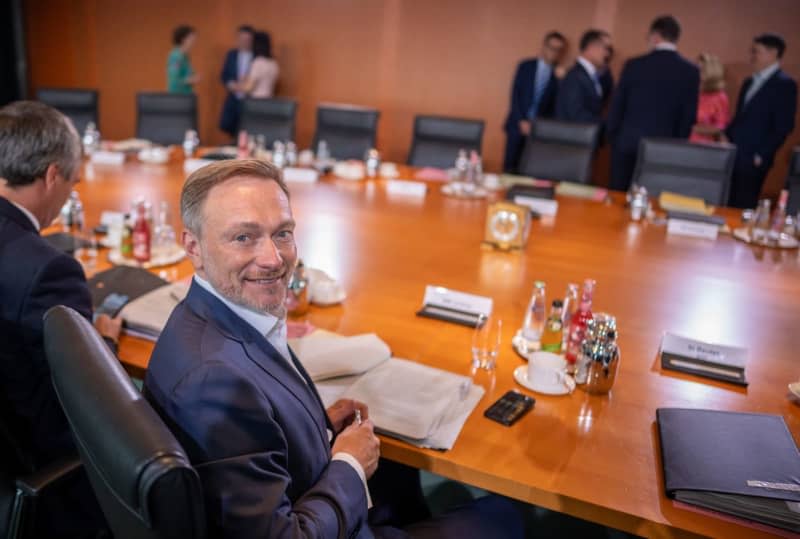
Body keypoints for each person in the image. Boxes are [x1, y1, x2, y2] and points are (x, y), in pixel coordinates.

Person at [144, 159, 523, 538]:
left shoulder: (209, 315)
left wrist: (315, 427)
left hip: (314, 498)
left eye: (283, 233)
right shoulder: (214, 381)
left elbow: (250, 443)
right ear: (193, 247)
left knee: (404, 480)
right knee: (504, 516)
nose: (274, 259)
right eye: (244, 237)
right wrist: (349, 464)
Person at [0, 101, 120, 537]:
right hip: (39, 467)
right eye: (73, 181)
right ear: (52, 176)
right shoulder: (49, 270)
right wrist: (102, 342)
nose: (71, 192)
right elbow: (85, 398)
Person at [606, 15, 699, 191]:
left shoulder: (634, 65)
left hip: (627, 145)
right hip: (665, 150)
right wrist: (676, 146)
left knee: (618, 197)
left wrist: (613, 137)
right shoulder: (691, 72)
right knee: (654, 200)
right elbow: (688, 117)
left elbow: (618, 105)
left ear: (655, 36)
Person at [724, 33, 797, 208]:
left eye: (756, 52)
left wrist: (761, 155)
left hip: (753, 159)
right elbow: (740, 117)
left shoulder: (785, 85)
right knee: (726, 200)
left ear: (773, 53)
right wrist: (725, 136)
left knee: (743, 203)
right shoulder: (749, 82)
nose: (752, 57)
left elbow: (783, 126)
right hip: (733, 152)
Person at [503, 31, 567, 172]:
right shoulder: (526, 66)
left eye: (558, 50)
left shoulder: (559, 74)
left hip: (539, 129)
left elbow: (559, 106)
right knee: (509, 168)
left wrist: (562, 81)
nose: (554, 53)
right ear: (544, 46)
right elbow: (515, 95)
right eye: (551, 47)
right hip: (516, 124)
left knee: (530, 171)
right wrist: (522, 121)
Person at [555, 29, 612, 124]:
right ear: (591, 47)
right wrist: (609, 125)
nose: (607, 54)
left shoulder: (594, 76)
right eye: (605, 48)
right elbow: (576, 115)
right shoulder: (574, 76)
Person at [220, 25, 254, 137]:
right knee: (232, 131)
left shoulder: (256, 56)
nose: (244, 42)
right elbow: (224, 75)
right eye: (242, 39)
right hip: (233, 99)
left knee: (248, 131)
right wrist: (232, 85)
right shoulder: (232, 54)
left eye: (247, 39)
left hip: (250, 99)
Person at [690, 53, 730, 143]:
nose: (694, 71)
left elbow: (721, 126)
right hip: (681, 142)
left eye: (700, 69)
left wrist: (692, 129)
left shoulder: (719, 96)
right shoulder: (689, 91)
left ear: (711, 71)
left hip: (703, 145)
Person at [233, 30, 280, 99]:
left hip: (256, 102)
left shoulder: (258, 62)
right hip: (269, 101)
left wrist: (235, 86)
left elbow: (249, 88)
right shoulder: (273, 63)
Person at [167, 24, 198, 94]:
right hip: (178, 98)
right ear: (183, 39)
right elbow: (174, 81)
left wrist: (193, 77)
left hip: (187, 96)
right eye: (191, 38)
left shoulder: (185, 56)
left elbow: (187, 75)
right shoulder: (176, 56)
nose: (194, 41)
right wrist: (192, 80)